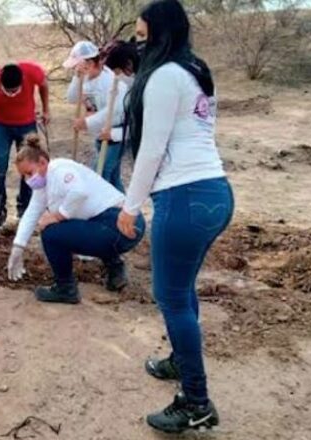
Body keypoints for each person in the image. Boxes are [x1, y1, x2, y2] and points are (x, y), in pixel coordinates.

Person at [116, 0, 233, 433]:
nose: (137, 46)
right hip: (214, 192)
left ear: (161, 34)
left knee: (170, 296)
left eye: (143, 37)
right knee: (181, 292)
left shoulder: (165, 76)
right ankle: (179, 360)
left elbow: (153, 148)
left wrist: (130, 206)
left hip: (185, 197)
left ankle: (196, 402)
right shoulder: (194, 69)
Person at [6, 134, 145, 304]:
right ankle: (115, 269)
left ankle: (65, 288)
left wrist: (58, 216)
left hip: (121, 224)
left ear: (42, 162)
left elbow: (79, 191)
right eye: (24, 176)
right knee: (77, 226)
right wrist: (18, 247)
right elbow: (31, 213)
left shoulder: (59, 170)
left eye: (29, 173)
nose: (28, 180)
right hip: (118, 225)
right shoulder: (44, 184)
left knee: (52, 233)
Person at [0, 61, 50, 230]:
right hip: (1, 126)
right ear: (0, 83)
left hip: (27, 124)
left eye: (15, 90)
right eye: (7, 91)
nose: (11, 94)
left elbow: (44, 84)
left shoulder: (31, 71)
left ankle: (24, 209)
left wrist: (46, 109)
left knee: (29, 167)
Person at [65, 41, 128, 191]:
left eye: (78, 65)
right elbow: (72, 98)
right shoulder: (85, 79)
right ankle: (127, 212)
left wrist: (87, 123)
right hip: (100, 135)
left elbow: (114, 112)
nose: (76, 68)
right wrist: (77, 77)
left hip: (115, 135)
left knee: (99, 175)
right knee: (113, 179)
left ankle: (108, 212)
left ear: (90, 63)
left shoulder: (112, 82)